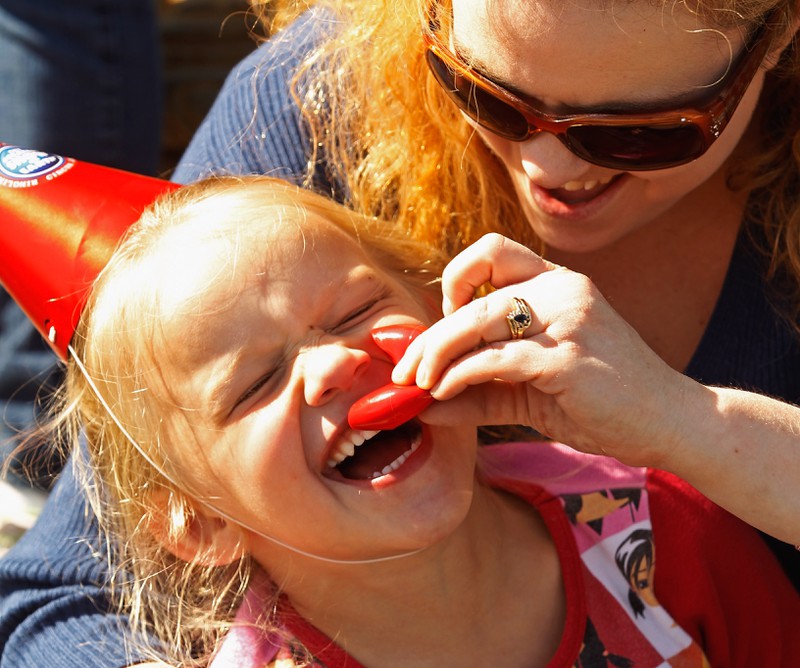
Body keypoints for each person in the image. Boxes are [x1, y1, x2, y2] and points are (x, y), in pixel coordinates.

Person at [3, 0, 800, 664]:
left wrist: (690, 425)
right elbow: (62, 593)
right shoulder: (316, 102)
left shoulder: (652, 538)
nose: (547, 172)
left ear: (778, 37)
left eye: (640, 129)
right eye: (488, 94)